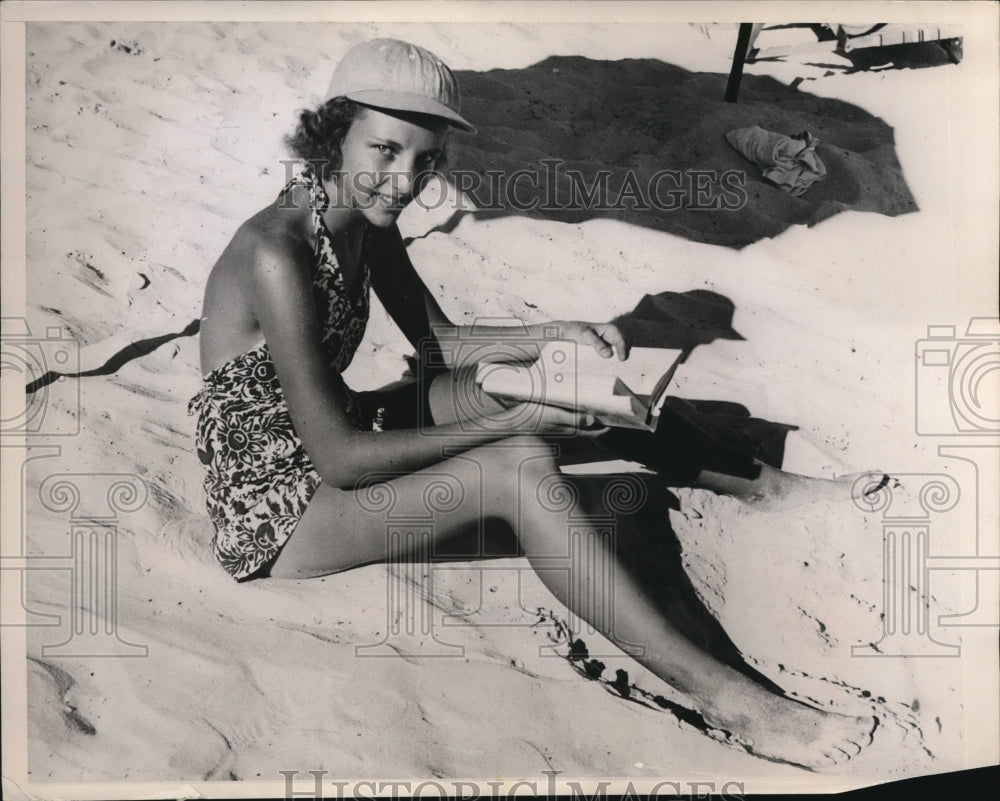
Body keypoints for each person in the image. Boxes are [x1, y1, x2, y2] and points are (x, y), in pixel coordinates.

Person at [188, 37, 875, 770]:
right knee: (518, 462)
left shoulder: (362, 216)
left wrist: (555, 338)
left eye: (424, 161)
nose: (402, 180)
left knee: (549, 377)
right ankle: (730, 698)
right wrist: (512, 421)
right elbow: (342, 461)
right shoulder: (276, 249)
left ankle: (770, 488)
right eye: (385, 150)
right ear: (332, 130)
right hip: (280, 511)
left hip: (335, 433)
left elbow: (438, 343)